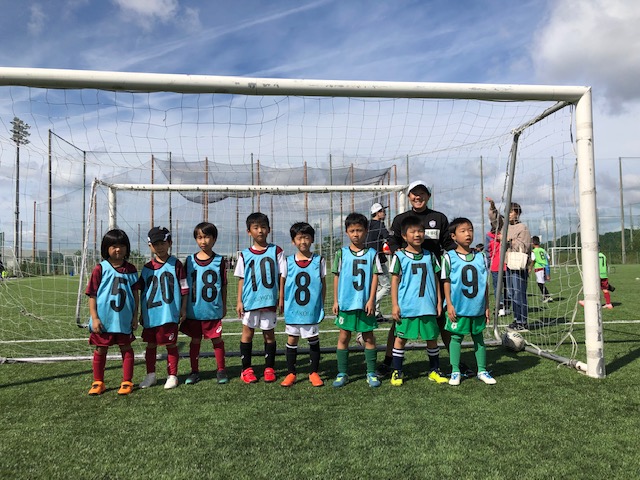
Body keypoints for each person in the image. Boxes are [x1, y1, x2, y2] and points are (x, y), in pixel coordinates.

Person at [378, 180, 463, 376]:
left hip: (434, 276)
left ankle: (455, 362)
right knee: (399, 322)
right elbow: (392, 240)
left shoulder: (439, 218)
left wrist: (460, 256)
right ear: (409, 197)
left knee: (442, 319)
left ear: (428, 196)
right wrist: (396, 250)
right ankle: (388, 362)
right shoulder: (401, 219)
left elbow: (448, 244)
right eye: (414, 193)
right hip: (409, 281)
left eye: (422, 193)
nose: (418, 197)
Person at [389, 215, 447, 386]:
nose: (417, 235)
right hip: (408, 306)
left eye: (420, 231)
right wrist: (395, 304)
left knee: (432, 338)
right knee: (400, 339)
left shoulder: (430, 256)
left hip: (427, 305)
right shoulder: (399, 256)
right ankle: (397, 371)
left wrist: (438, 301)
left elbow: (436, 279)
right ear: (404, 236)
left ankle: (434, 370)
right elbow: (394, 281)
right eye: (412, 232)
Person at [85, 229, 140, 395]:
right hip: (105, 319)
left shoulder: (131, 269)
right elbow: (92, 295)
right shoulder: (100, 268)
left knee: (126, 347)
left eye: (122, 246)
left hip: (124, 318)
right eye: (114, 246)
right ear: (106, 248)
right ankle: (98, 382)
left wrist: (135, 316)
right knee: (101, 348)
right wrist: (94, 318)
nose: (118, 249)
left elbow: (135, 295)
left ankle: (127, 381)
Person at [442, 218, 496, 386]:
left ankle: (482, 370)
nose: (468, 234)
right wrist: (449, 304)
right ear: (453, 236)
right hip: (459, 307)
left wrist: (486, 305)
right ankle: (455, 371)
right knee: (456, 338)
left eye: (470, 230)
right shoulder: (449, 257)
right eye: (463, 231)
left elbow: (484, 283)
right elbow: (446, 281)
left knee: (478, 338)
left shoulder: (481, 257)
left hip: (477, 307)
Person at [235, 212, 286, 384]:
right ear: (249, 231)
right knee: (247, 333)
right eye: (256, 228)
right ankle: (246, 369)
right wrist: (239, 301)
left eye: (263, 227)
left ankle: (269, 368)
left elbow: (282, 275)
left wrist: (281, 297)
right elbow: (242, 279)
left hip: (269, 300)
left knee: (269, 334)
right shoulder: (244, 254)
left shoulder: (276, 251)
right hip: (250, 300)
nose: (260, 231)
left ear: (269, 229)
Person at [332, 212, 382, 388]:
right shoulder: (341, 253)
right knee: (344, 336)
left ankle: (371, 372)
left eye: (359, 230)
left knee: (368, 337)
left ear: (366, 231)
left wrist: (371, 300)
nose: (356, 234)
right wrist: (336, 301)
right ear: (346, 232)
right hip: (346, 303)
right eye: (352, 231)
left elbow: (375, 277)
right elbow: (336, 277)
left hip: (364, 304)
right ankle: (342, 373)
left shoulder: (372, 254)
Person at [138, 227, 188, 390]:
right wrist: (141, 313)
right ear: (150, 246)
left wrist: (183, 308)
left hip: (169, 313)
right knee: (151, 345)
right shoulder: (147, 268)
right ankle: (151, 375)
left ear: (170, 243)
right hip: (151, 314)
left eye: (162, 243)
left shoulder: (176, 264)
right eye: (155, 244)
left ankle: (172, 375)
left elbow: (184, 288)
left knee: (171, 344)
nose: (159, 247)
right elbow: (142, 292)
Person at [181, 222, 228, 385]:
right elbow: (184, 286)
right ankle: (194, 371)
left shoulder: (219, 261)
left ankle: (221, 370)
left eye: (207, 237)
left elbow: (223, 285)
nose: (203, 241)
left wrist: (224, 305)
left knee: (217, 340)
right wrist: (183, 308)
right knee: (195, 340)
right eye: (199, 237)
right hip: (194, 310)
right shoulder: (189, 260)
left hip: (212, 310)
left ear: (214, 239)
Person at [279, 222, 326, 387]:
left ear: (312, 239)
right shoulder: (288, 261)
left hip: (311, 308)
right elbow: (282, 281)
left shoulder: (319, 260)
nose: (303, 241)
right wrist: (281, 299)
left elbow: (323, 284)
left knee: (313, 338)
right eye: (299, 238)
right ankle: (291, 373)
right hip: (293, 308)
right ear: (293, 241)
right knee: (292, 339)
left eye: (306, 237)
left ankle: (313, 372)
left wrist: (321, 304)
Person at [489, 198, 532, 331]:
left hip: (519, 265)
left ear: (517, 213)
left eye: (511, 212)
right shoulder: (504, 226)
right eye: (507, 211)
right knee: (512, 293)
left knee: (519, 293)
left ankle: (522, 321)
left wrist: (507, 239)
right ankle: (517, 319)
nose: (508, 214)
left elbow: (524, 246)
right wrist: (492, 207)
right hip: (508, 264)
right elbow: (494, 220)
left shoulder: (522, 228)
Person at [364, 202, 391, 322]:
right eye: (383, 211)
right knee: (387, 286)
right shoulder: (380, 225)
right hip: (378, 259)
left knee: (378, 287)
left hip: (367, 258)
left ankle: (376, 313)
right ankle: (371, 303)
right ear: (377, 213)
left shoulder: (367, 224)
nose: (385, 213)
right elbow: (388, 237)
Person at [486, 217, 509, 316]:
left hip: (507, 265)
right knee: (498, 287)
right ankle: (500, 306)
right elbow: (487, 251)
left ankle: (506, 306)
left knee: (507, 287)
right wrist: (489, 263)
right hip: (496, 266)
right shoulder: (489, 236)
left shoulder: (506, 234)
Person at [530, 236, 553, 303]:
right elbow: (549, 258)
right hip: (545, 267)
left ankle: (547, 296)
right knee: (541, 282)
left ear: (532, 243)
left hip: (539, 268)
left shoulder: (534, 251)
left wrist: (530, 268)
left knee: (540, 283)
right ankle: (547, 296)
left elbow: (533, 260)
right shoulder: (543, 250)